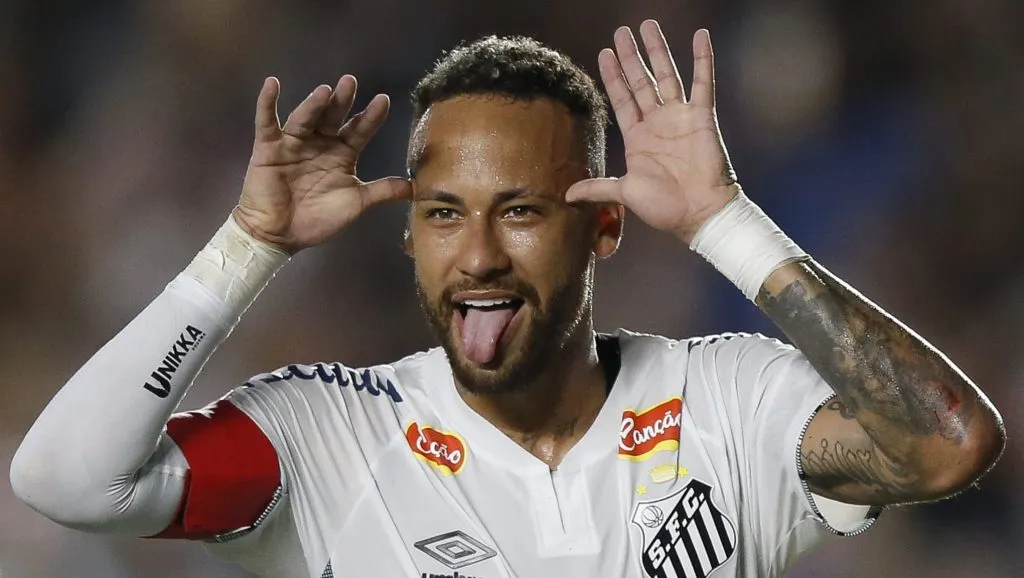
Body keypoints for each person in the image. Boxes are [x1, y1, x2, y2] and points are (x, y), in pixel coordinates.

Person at [10, 20, 1005, 578]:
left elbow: (945, 439)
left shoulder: (727, 404)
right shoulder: (333, 436)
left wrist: (721, 221)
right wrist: (248, 246)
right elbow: (66, 478)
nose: (478, 253)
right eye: (444, 214)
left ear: (602, 228)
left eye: (520, 210)